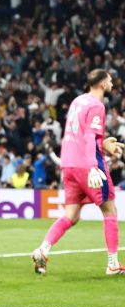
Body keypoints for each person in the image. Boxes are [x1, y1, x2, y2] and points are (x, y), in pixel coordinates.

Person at [32, 69, 125, 276]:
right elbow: (89, 137)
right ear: (102, 84)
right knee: (110, 210)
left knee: (71, 215)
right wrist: (93, 166)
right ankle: (112, 264)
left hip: (69, 164)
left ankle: (43, 249)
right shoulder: (97, 105)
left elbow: (80, 134)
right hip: (87, 165)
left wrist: (103, 144)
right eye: (110, 80)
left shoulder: (78, 101)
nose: (112, 83)